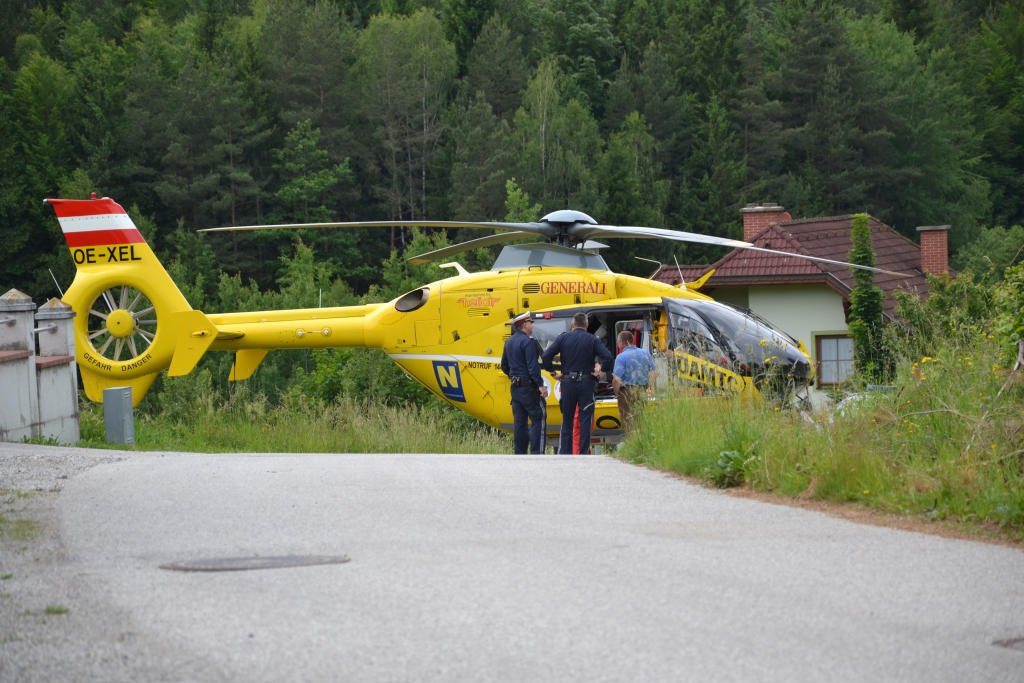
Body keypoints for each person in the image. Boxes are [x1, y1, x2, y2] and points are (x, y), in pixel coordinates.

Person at [541, 312, 612, 454]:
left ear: (572, 324)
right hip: (586, 383)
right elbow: (608, 357)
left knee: (567, 420)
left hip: (568, 383)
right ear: (586, 325)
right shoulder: (592, 339)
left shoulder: (563, 338)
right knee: (585, 420)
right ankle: (583, 453)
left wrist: (554, 373)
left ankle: (565, 453)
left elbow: (546, 356)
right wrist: (600, 370)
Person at [500, 311, 548, 454]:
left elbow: (504, 366)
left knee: (519, 423)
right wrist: (540, 385)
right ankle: (536, 454)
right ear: (523, 325)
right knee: (538, 419)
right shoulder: (528, 342)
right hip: (529, 389)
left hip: (515, 389)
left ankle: (520, 454)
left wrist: (514, 376)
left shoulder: (508, 342)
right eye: (530, 323)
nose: (532, 325)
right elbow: (533, 367)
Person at [612, 330, 656, 437]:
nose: (618, 345)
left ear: (623, 342)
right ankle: (642, 441)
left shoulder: (621, 357)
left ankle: (632, 441)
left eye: (618, 342)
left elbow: (616, 379)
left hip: (626, 392)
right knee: (641, 418)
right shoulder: (645, 353)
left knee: (628, 421)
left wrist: (617, 393)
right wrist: (649, 386)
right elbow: (654, 372)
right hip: (642, 390)